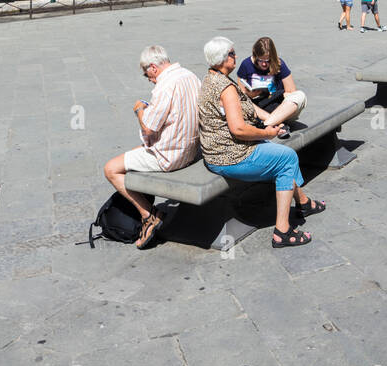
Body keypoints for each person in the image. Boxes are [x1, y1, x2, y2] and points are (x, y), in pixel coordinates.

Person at [199, 37, 325, 249]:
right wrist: (266, 133)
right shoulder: (226, 88)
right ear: (223, 59)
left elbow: (244, 109)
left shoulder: (211, 79)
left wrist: (267, 124)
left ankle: (303, 203)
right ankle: (282, 231)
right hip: (230, 155)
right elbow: (238, 129)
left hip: (217, 151)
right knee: (287, 159)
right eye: (232, 53)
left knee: (278, 153)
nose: (236, 56)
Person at [103, 45, 200, 249]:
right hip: (191, 150)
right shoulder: (190, 76)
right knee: (135, 151)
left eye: (146, 72)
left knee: (111, 168)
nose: (147, 77)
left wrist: (140, 109)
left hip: (169, 156)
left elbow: (148, 129)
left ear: (153, 67)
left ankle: (148, 215)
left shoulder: (164, 87)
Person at [236, 37, 307, 132]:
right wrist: (252, 94)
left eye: (268, 61)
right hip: (257, 109)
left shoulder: (279, 64)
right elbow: (241, 95)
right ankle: (277, 123)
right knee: (240, 101)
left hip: (279, 108)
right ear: (255, 55)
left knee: (300, 96)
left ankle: (265, 125)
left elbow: (291, 91)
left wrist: (286, 94)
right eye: (261, 60)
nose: (264, 64)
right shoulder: (246, 64)